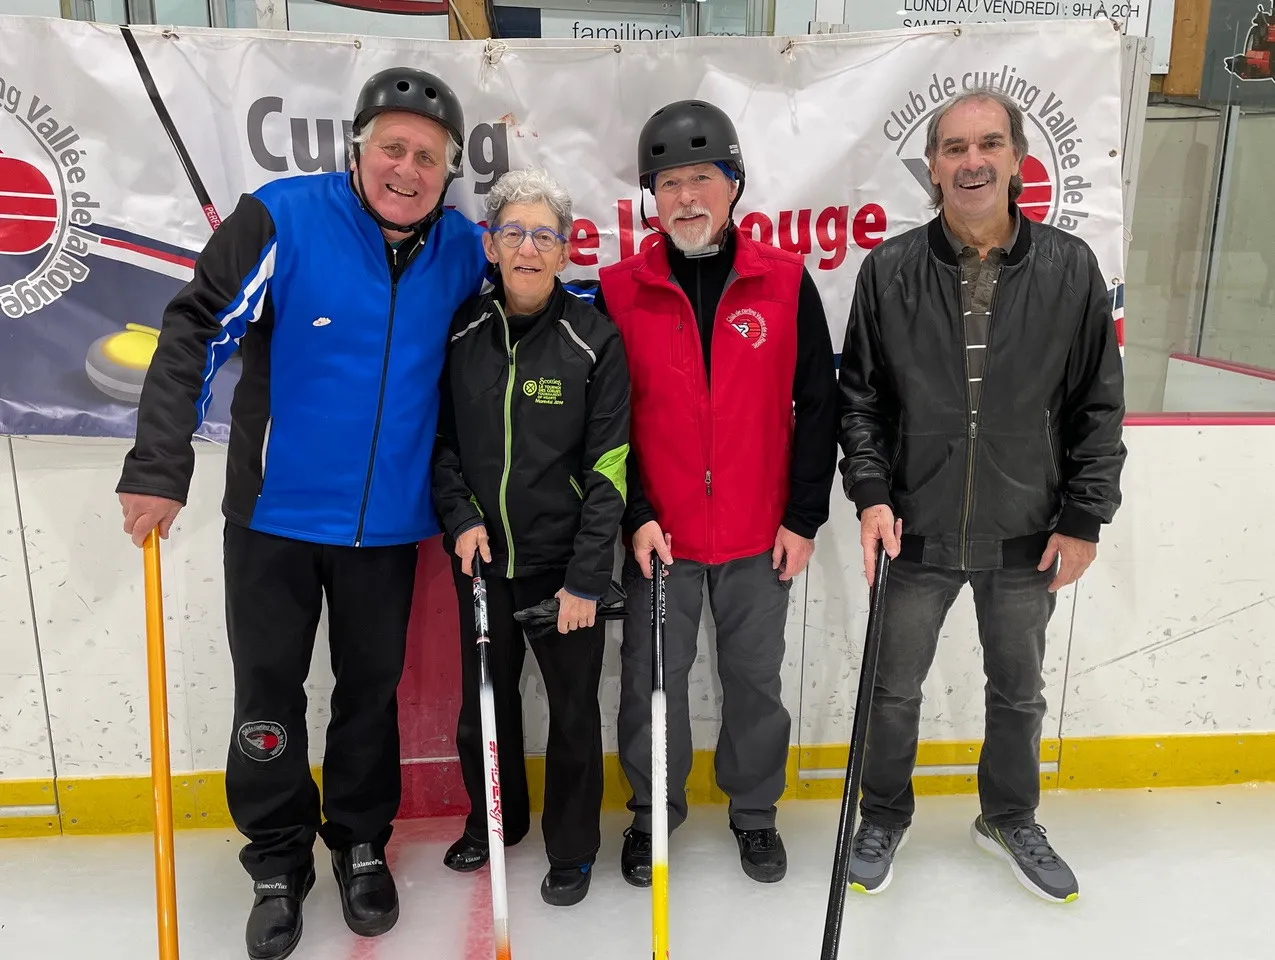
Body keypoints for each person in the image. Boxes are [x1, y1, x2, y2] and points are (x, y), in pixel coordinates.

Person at [114, 68, 489, 959]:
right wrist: (159, 464)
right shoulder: (281, 217)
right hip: (274, 518)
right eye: (392, 148)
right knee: (269, 694)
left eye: (427, 158)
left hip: (388, 529)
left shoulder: (463, 251)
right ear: (358, 149)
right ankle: (277, 860)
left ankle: (360, 842)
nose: (407, 170)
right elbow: (194, 327)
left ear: (447, 172)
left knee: (369, 695)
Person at [836, 87, 1126, 903]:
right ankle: (882, 815)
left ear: (1016, 159)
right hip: (915, 527)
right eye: (954, 147)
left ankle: (1007, 816)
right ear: (931, 166)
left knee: (1018, 693)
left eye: (989, 144)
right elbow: (860, 402)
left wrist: (1083, 516)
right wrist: (870, 494)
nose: (972, 161)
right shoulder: (888, 270)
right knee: (891, 691)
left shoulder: (1069, 267)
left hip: (1025, 528)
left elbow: (1097, 403)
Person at [576, 99, 839, 886]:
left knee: (755, 681)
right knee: (649, 684)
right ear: (650, 198)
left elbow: (818, 404)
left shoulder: (783, 282)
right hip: (659, 539)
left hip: (761, 535)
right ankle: (652, 814)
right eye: (668, 183)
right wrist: (635, 515)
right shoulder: (618, 290)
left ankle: (754, 813)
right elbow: (604, 423)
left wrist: (802, 517)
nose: (685, 197)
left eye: (701, 178)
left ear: (734, 185)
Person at [430, 167, 630, 907]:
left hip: (562, 570)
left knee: (573, 715)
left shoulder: (593, 339)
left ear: (565, 251)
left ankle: (572, 849)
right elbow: (440, 444)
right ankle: (495, 821)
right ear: (490, 244)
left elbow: (610, 467)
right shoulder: (462, 332)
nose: (527, 248)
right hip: (483, 561)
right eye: (513, 232)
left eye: (544, 235)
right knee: (484, 707)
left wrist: (585, 578)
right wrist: (460, 518)